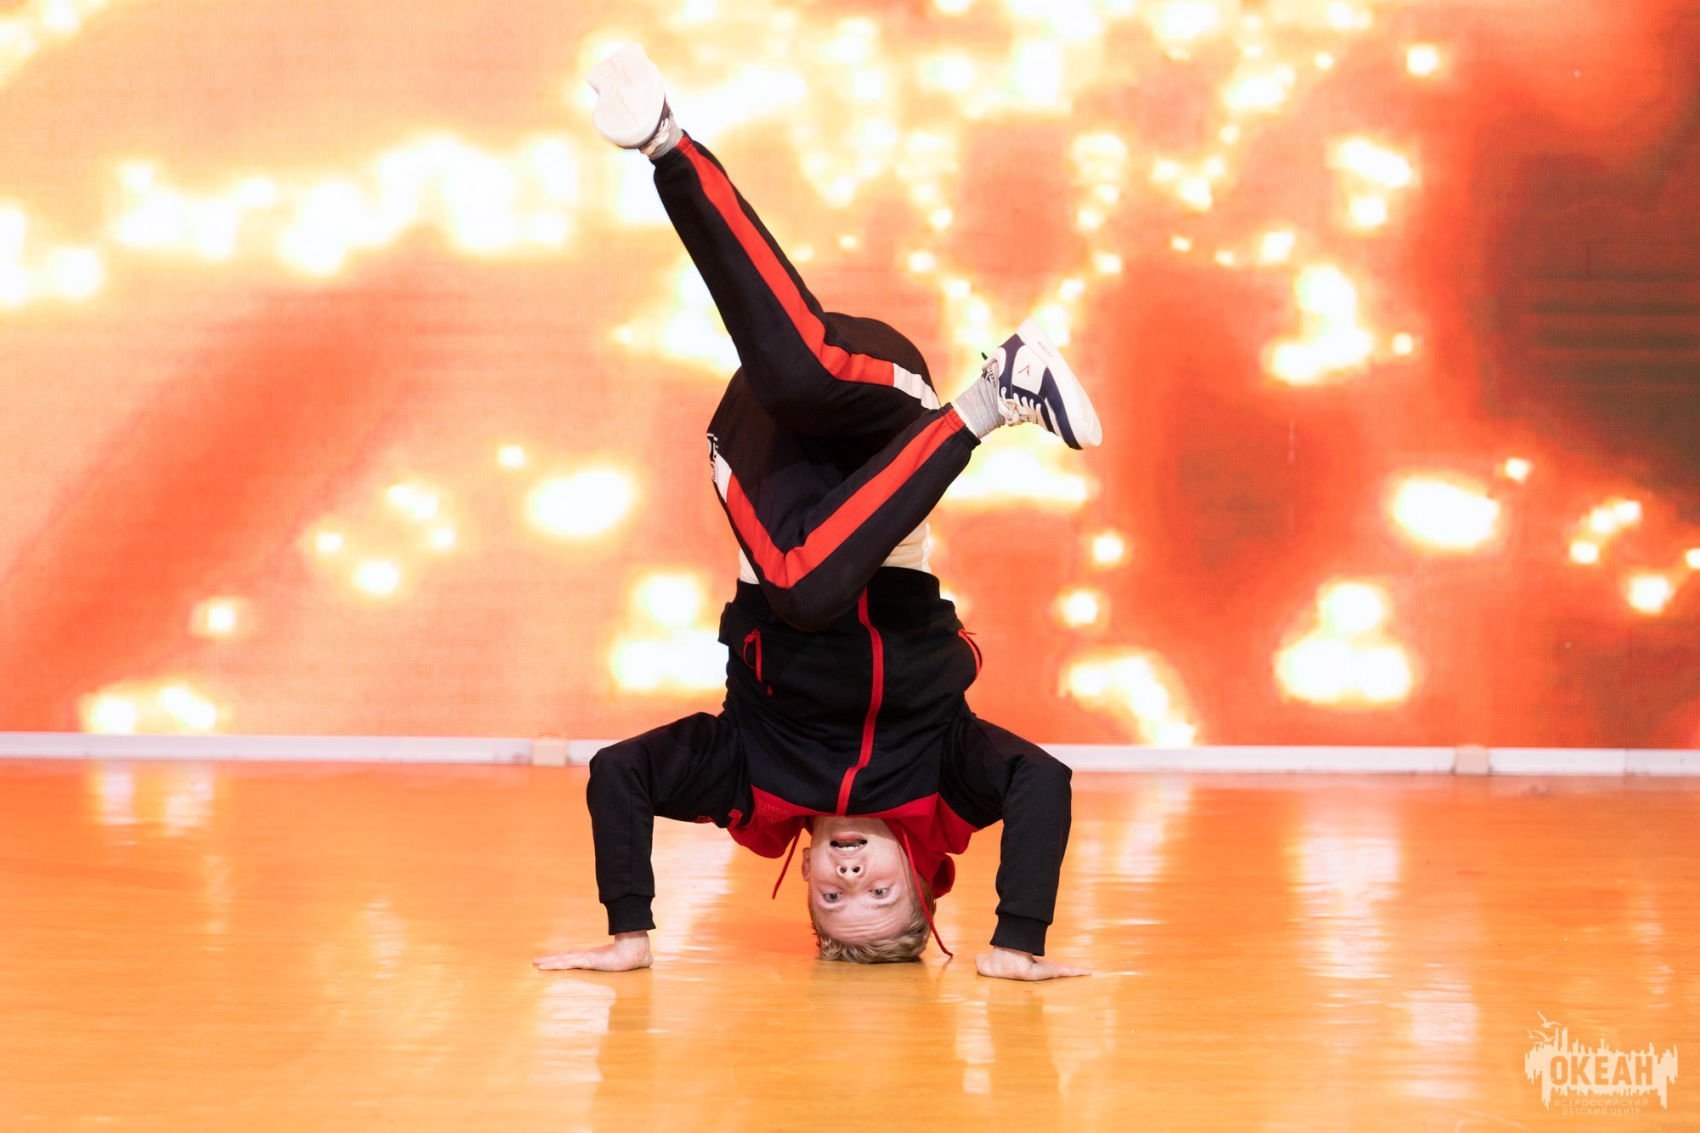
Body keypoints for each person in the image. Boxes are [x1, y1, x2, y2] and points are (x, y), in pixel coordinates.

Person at [534, 45, 1099, 981]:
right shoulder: (950, 771)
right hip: (887, 443)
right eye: (881, 894)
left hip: (772, 482)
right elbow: (1045, 781)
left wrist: (629, 929)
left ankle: (987, 401)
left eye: (832, 900)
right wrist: (1017, 940)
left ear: (803, 879)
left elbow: (618, 774)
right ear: (921, 873)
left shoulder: (748, 779)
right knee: (801, 378)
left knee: (797, 571)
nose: (849, 877)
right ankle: (668, 144)